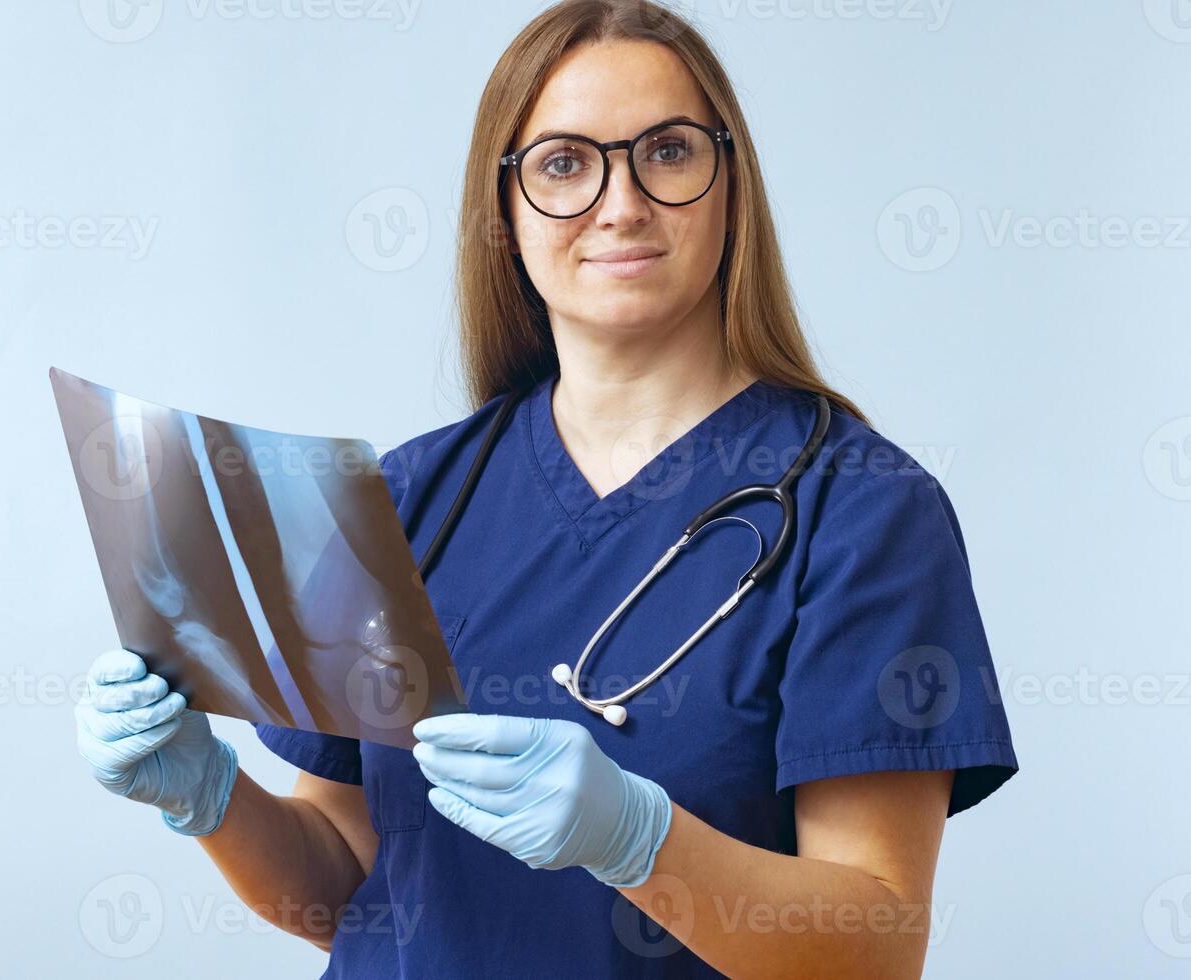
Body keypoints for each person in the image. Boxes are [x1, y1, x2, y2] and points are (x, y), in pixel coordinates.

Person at [73, 1, 1019, 975]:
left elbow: (878, 942)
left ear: (730, 184)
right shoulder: (408, 497)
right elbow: (354, 883)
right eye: (565, 162)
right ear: (505, 213)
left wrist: (643, 842)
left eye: (668, 151)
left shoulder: (861, 512)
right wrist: (210, 796)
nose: (621, 204)